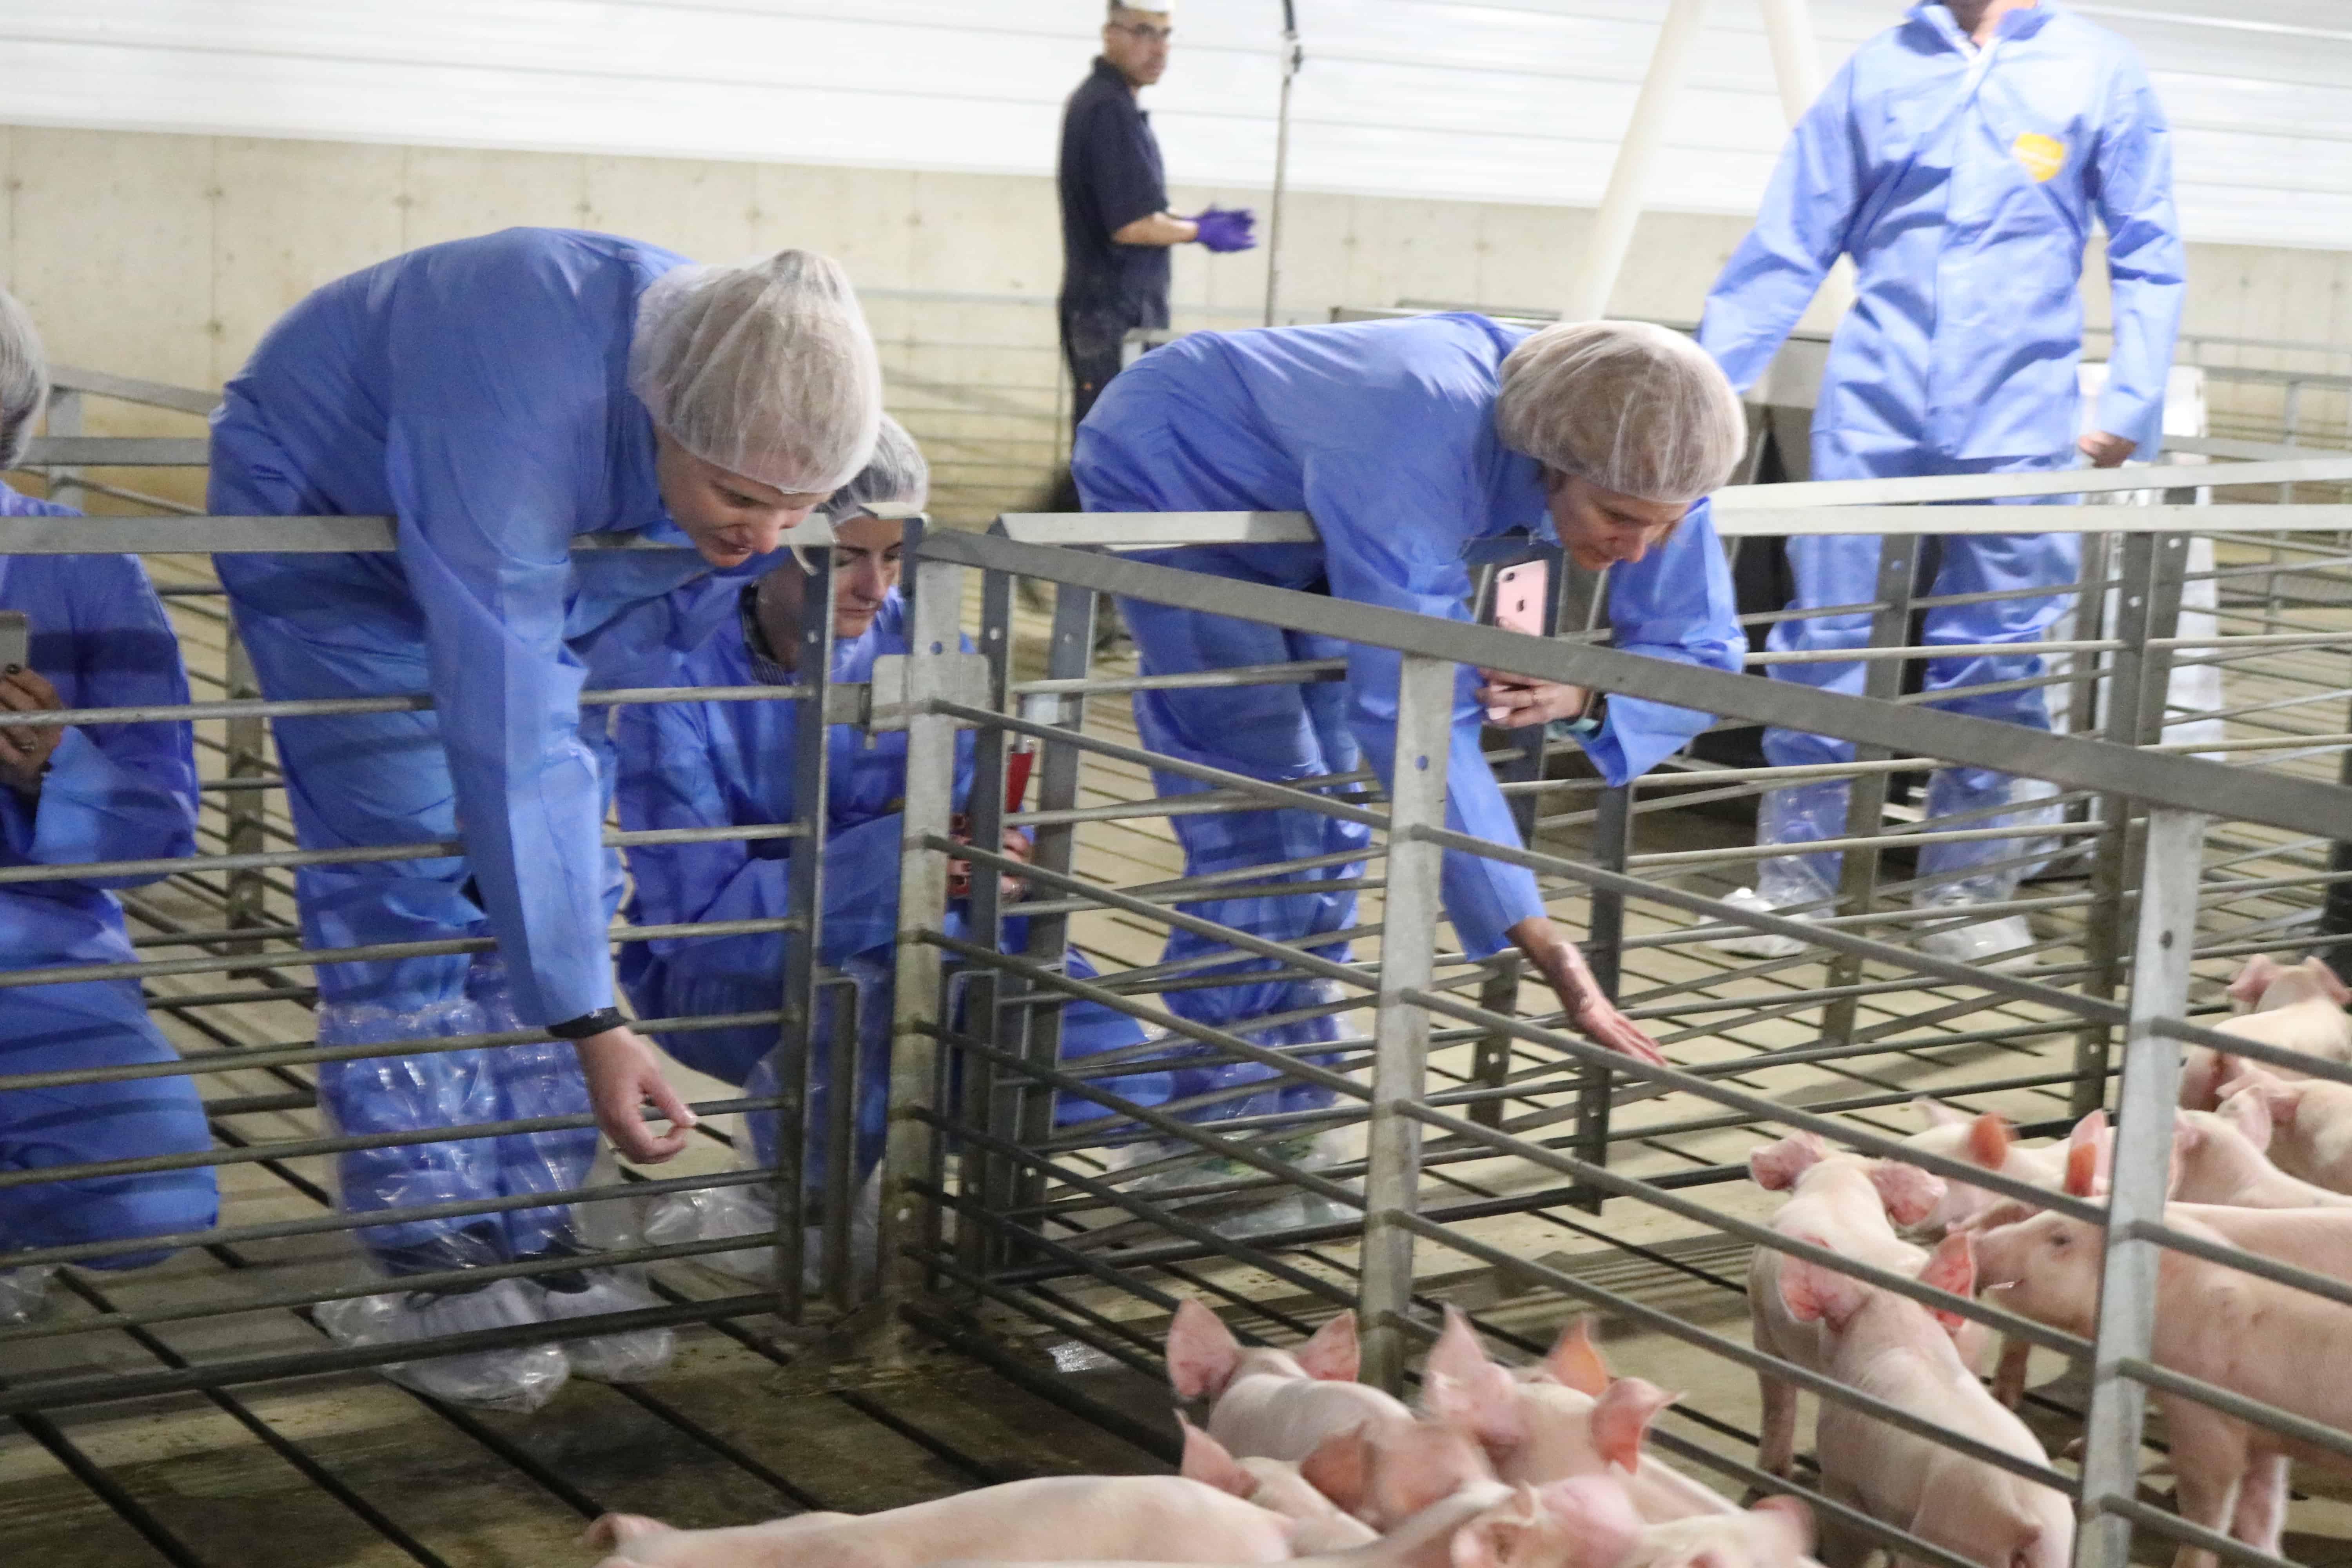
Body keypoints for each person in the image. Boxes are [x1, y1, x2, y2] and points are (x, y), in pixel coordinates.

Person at [208, 229, 883, 1407]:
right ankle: (432, 1249)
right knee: (418, 869)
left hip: (579, 542)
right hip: (331, 528)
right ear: (665, 422)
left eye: (802, 505)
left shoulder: (731, 377)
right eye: (740, 496)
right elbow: (509, 721)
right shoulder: (518, 406)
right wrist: (590, 1015)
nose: (768, 534)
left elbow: (559, 743)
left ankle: (535, 1218)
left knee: (542, 865)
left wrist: (578, 983)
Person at [1073, 314, 1749, 1149]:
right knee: (1267, 800)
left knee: (1329, 813)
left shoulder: (1653, 452)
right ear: (1549, 464)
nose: (1642, 550)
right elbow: (1412, 702)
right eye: (1619, 518)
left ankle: (1291, 1098)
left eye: (1669, 525)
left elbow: (1698, 649)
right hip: (1180, 464)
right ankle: (1213, 1123)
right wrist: (1538, 934)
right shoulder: (1420, 436)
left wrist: (1590, 695)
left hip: (1328, 499)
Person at [616, 418, 1171, 1274]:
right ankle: (800, 1194)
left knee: (1094, 1045)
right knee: (867, 1006)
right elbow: (701, 918)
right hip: (735, 965)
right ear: (775, 537)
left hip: (911, 928)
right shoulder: (676, 675)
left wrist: (990, 853)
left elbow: (960, 808)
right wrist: (899, 860)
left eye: (896, 556)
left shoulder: (926, 636)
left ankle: (937, 1168)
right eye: (843, 556)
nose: (875, 587)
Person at [1695, 0, 2184, 964]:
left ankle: (1967, 896)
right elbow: (1790, 240)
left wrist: (2131, 399)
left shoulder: (2098, 68)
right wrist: (1704, 392)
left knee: (1995, 658)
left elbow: (2146, 247)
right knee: (1822, 643)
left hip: (2020, 414)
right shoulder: (1879, 69)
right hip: (1874, 402)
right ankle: (1801, 885)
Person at [0, 289, 214, 1323]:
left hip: (33, 953)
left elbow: (160, 824)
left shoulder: (81, 563)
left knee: (153, 1197)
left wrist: (53, 765)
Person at [1058, 1, 1257, 434]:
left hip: (1112, 310)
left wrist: (1187, 222)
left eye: (1166, 35)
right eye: (1144, 33)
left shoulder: (1111, 106)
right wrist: (1198, 230)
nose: (1160, 49)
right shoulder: (1109, 111)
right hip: (1112, 313)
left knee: (1116, 432)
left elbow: (1132, 209)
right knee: (1115, 438)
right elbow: (1130, 225)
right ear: (1111, 35)